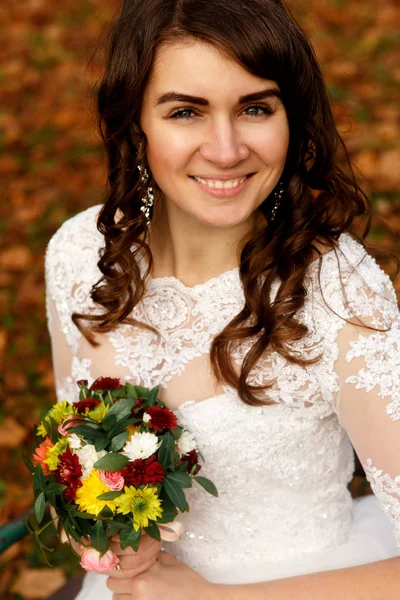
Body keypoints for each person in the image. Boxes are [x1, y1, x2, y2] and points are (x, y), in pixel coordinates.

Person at [44, 0, 400, 598]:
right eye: (186, 111)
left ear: (293, 117)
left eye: (255, 107)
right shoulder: (81, 252)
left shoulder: (340, 297)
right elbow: (72, 449)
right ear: (136, 122)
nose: (227, 148)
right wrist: (103, 528)